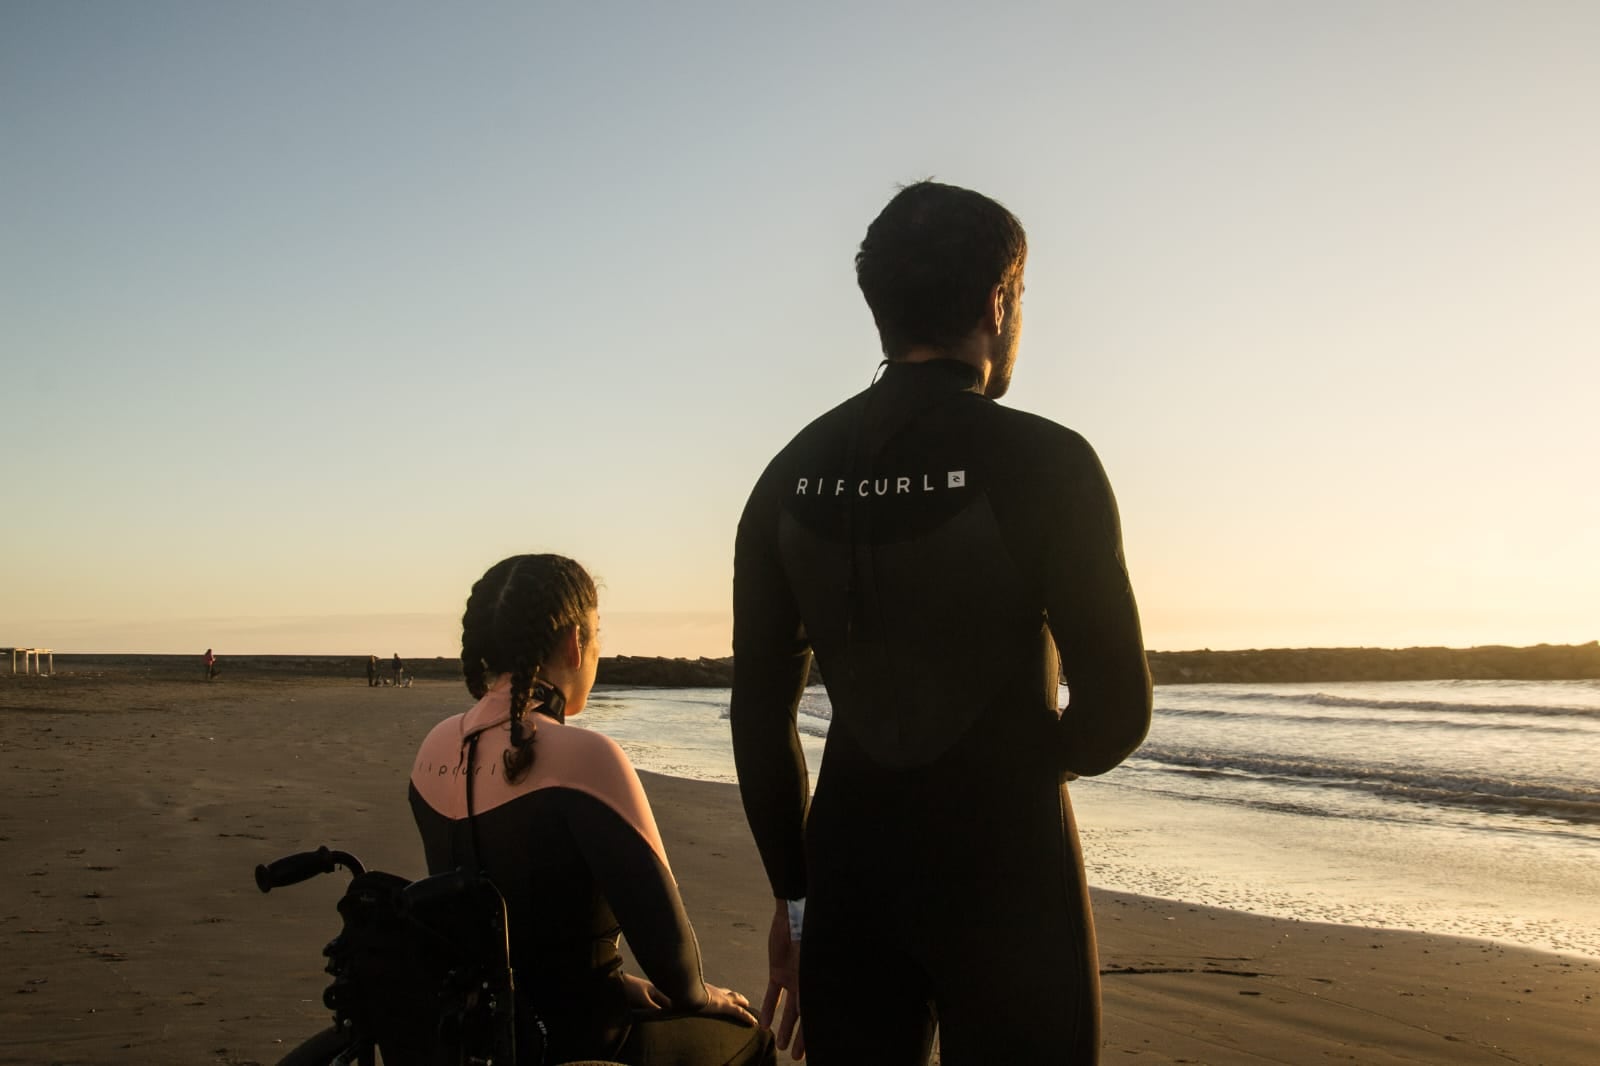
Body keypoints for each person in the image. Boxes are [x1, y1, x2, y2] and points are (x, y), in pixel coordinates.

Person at [731, 181, 1153, 1064]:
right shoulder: (1047, 462)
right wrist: (1014, 767)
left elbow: (760, 721)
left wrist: (798, 907)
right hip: (1008, 874)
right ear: (998, 302)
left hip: (848, 879)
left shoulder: (785, 476)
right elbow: (1117, 709)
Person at [410, 553, 775, 1065]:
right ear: (574, 643)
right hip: (579, 1040)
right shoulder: (587, 758)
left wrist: (614, 977)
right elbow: (677, 970)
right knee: (751, 1040)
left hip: (476, 1033)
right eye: (598, 632)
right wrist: (704, 996)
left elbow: (486, 923)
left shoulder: (433, 749)